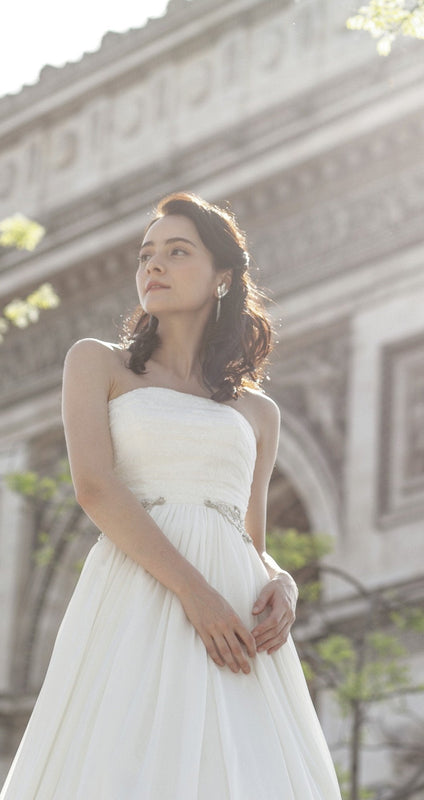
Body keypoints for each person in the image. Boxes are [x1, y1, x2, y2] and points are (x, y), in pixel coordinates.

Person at [0, 192, 342, 799]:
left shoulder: (259, 413)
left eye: (176, 252)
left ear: (222, 279)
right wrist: (195, 594)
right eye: (145, 255)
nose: (152, 266)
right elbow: (96, 489)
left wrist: (283, 581)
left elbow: (252, 539)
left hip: (235, 620)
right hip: (142, 598)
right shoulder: (97, 364)